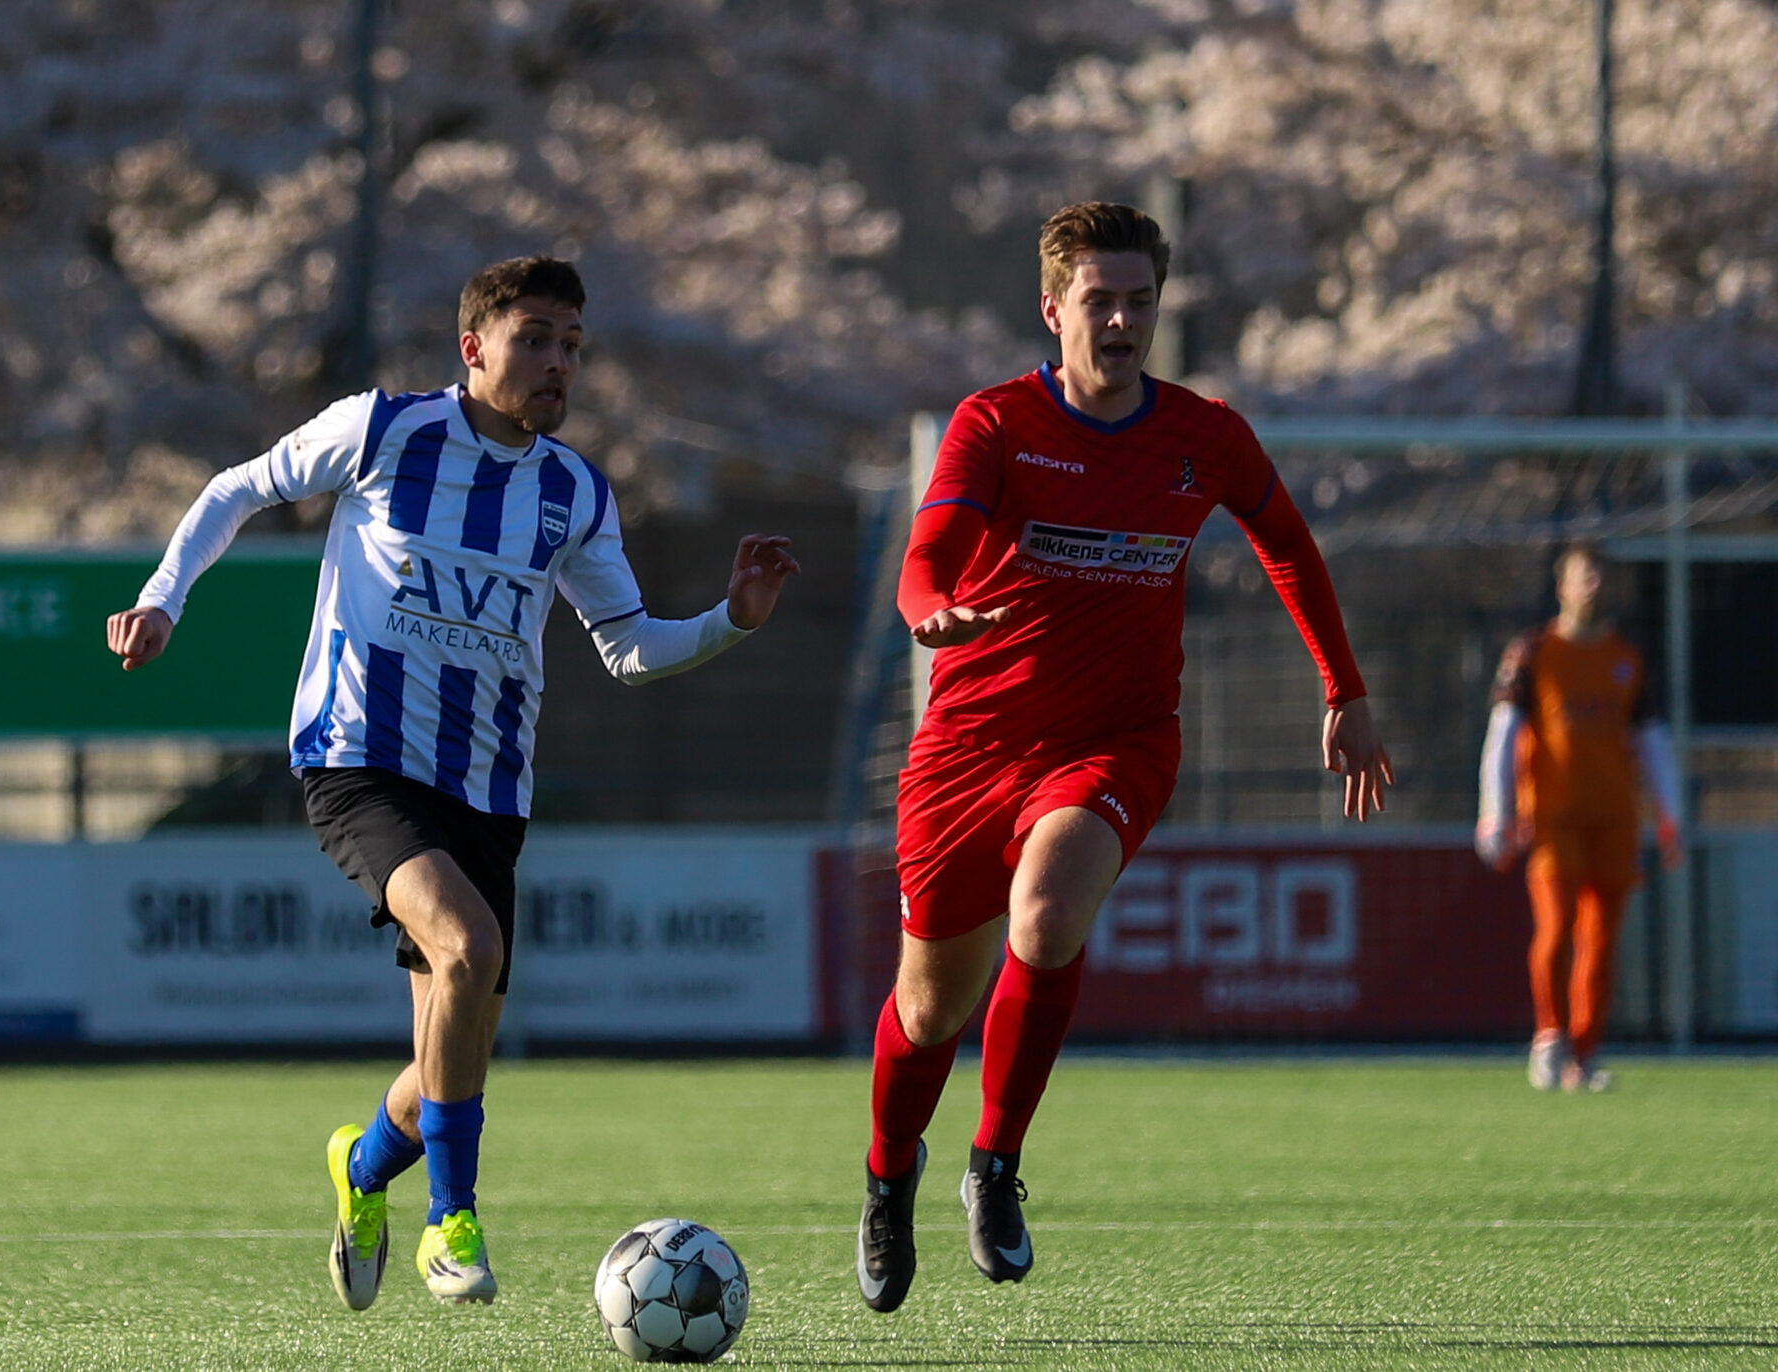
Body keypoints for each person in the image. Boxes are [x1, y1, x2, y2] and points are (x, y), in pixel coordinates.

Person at [105, 255, 799, 1310]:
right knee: (467, 948)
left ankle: (361, 1168)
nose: (557, 361)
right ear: (473, 348)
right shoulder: (384, 431)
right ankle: (451, 1221)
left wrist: (729, 622)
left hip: (487, 788)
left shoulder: (572, 491)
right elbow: (236, 487)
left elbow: (624, 646)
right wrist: (164, 598)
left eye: (571, 343)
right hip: (359, 760)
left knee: (450, 1046)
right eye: (534, 338)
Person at [854, 200, 1392, 1313]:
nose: (1118, 321)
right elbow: (927, 554)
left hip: (1115, 742)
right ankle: (887, 1173)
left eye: (1137, 301)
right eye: (1097, 300)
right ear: (1051, 310)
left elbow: (1286, 544)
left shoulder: (1203, 436)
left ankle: (993, 1166)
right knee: (925, 1013)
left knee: (1047, 915)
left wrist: (1343, 688)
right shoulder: (995, 424)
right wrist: (929, 611)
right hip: (967, 749)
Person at [1476, 541, 1681, 1093]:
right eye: (1582, 576)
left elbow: (1652, 740)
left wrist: (1670, 815)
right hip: (1552, 818)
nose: (1592, 586)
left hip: (1614, 818)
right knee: (1556, 928)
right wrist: (1494, 812)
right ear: (1561, 584)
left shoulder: (1627, 659)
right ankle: (1549, 1035)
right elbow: (1503, 735)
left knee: (1601, 942)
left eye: (1599, 577)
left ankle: (1582, 1056)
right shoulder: (1533, 653)